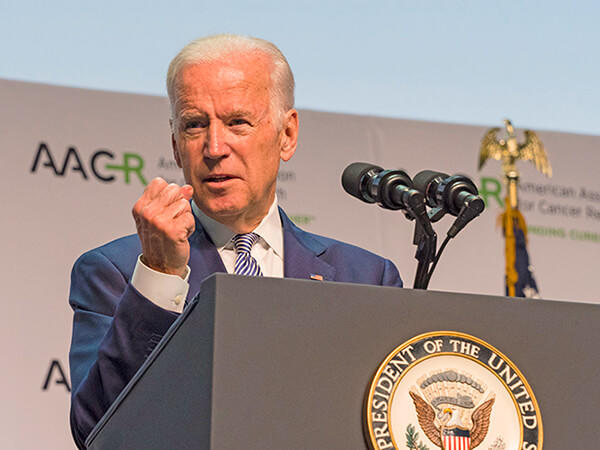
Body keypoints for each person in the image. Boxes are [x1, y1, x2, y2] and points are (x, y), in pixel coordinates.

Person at [68, 34, 403, 448]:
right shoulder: (116, 272)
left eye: (237, 122)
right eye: (194, 125)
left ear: (287, 135)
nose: (213, 147)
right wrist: (160, 276)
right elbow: (96, 431)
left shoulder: (365, 277)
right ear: (175, 144)